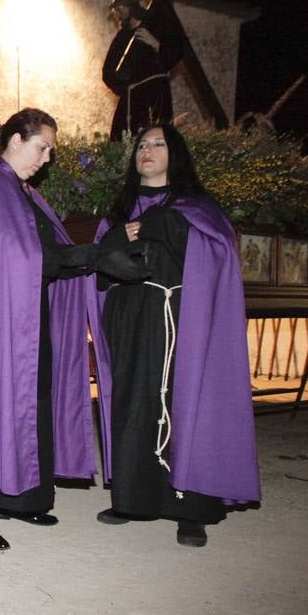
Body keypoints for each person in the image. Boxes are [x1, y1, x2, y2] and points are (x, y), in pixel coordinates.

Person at [0, 109, 131, 546]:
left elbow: (44, 250)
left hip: (25, 318)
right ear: (15, 140)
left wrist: (93, 255)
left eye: (49, 151)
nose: (46, 159)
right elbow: (16, 257)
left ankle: (20, 500)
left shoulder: (20, 190)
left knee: (32, 403)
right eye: (41, 147)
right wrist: (94, 255)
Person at [89, 125, 260, 545]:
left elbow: (215, 252)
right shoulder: (118, 211)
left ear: (175, 155)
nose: (147, 150)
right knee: (133, 400)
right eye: (142, 145)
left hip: (183, 314)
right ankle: (133, 498)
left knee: (185, 401)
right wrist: (117, 236)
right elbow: (96, 264)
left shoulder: (198, 207)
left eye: (158, 144)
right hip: (131, 316)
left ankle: (191, 508)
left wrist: (154, 224)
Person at [102, 0, 184, 140]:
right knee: (121, 139)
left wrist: (155, 43)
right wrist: (124, 86)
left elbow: (175, 54)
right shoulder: (121, 38)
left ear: (132, 8)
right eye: (116, 11)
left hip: (156, 94)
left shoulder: (156, 29)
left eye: (121, 8)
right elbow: (108, 72)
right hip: (131, 97)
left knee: (156, 134)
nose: (118, 14)